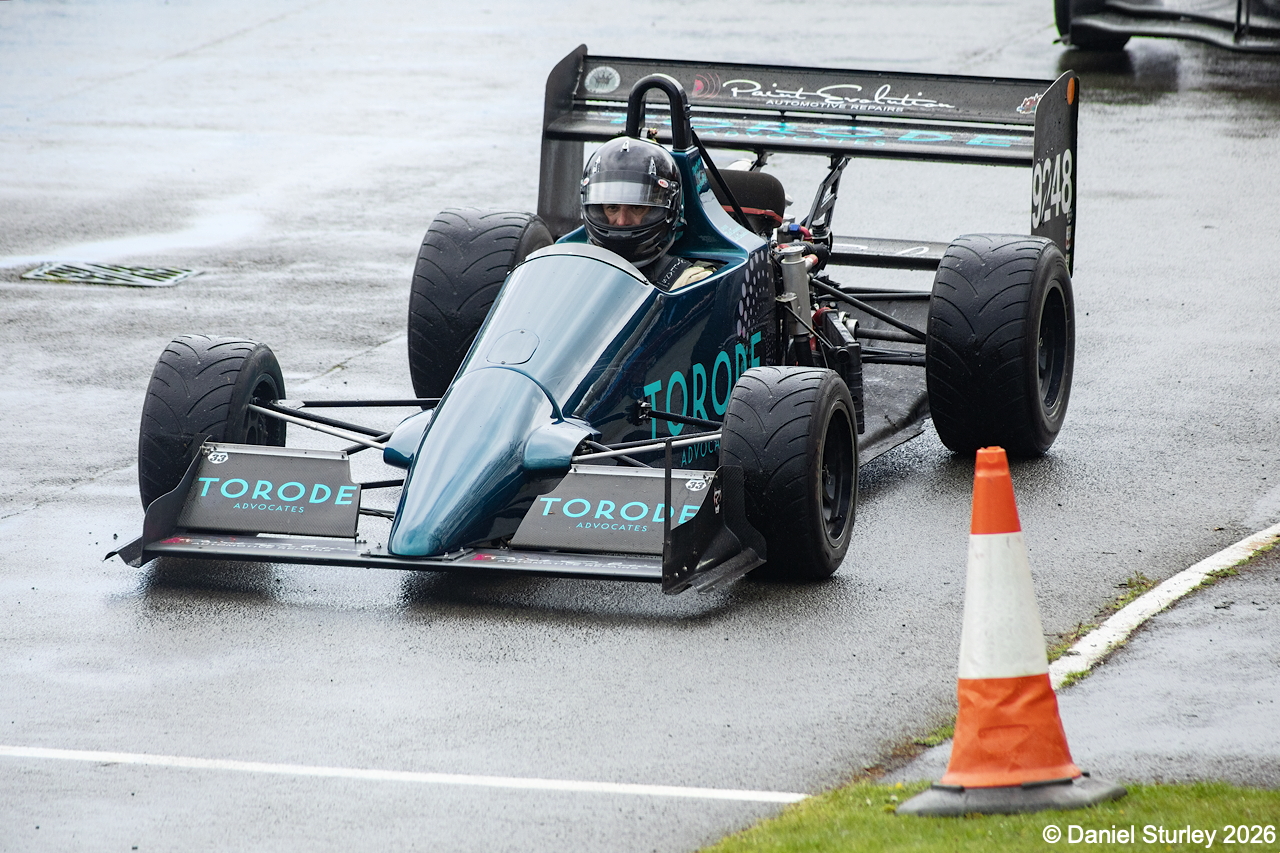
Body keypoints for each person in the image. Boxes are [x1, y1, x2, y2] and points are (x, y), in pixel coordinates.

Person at [580, 136, 716, 290]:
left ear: (668, 211)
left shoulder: (689, 283)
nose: (622, 221)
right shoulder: (569, 270)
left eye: (637, 208)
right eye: (612, 207)